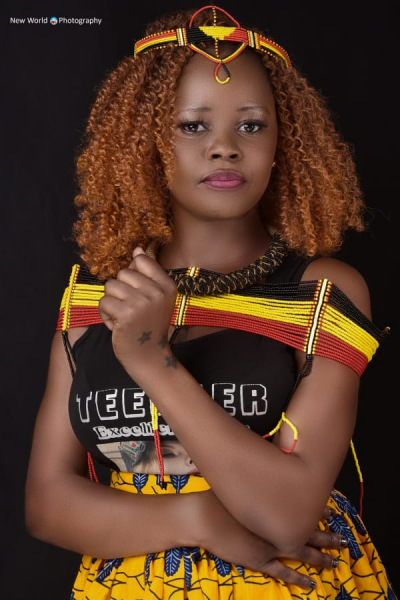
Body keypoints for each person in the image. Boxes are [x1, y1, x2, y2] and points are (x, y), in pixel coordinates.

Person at [25, 5, 396, 599]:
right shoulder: (97, 301)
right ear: (146, 143)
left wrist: (152, 361)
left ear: (282, 143)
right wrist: (197, 518)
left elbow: (285, 516)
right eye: (192, 126)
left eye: (251, 126)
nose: (224, 148)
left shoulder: (321, 293)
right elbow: (47, 505)